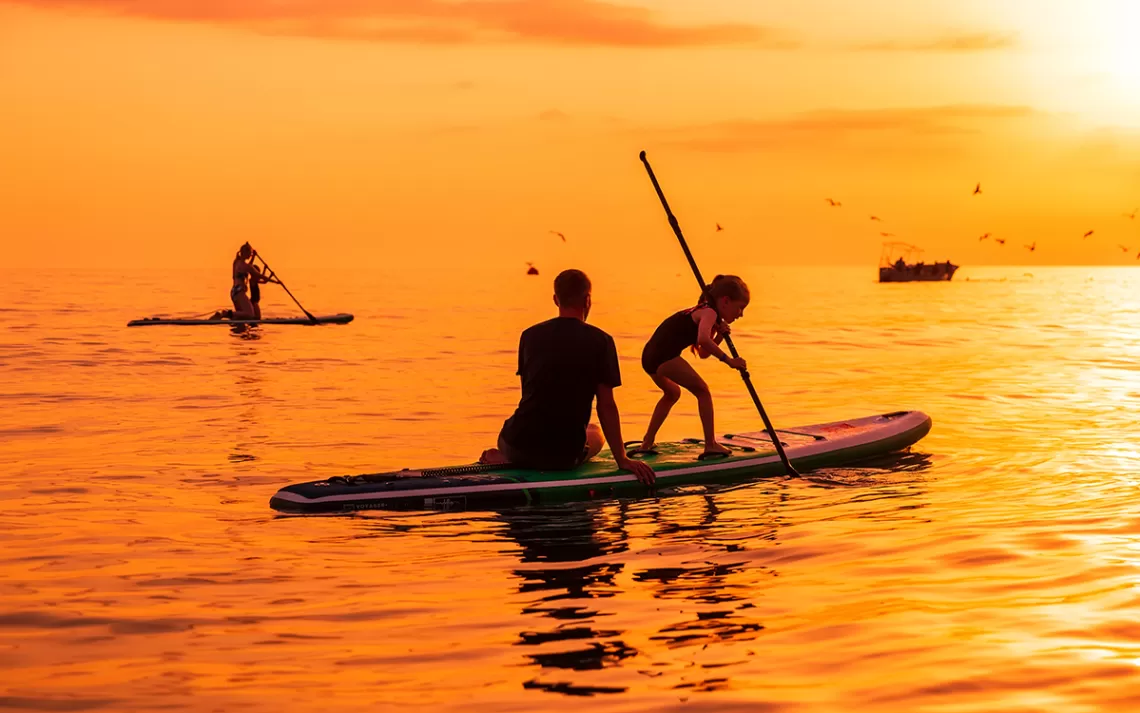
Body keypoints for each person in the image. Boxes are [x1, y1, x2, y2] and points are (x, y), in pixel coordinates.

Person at [479, 269, 656, 485]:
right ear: (587, 300)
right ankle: (521, 458)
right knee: (595, 433)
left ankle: (509, 457)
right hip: (562, 455)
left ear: (555, 299)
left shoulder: (529, 335)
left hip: (518, 443)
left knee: (519, 427)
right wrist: (622, 459)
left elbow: (530, 392)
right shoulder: (601, 341)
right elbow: (606, 405)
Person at [639, 274, 749, 458]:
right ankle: (710, 444)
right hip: (663, 356)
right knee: (703, 391)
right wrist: (729, 361)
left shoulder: (704, 312)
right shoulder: (709, 312)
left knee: (672, 393)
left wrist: (721, 335)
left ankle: (646, 442)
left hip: (649, 356)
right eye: (740, 308)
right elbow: (703, 340)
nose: (741, 314)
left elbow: (704, 353)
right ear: (726, 301)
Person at [212, 243, 272, 321]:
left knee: (240, 316)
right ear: (245, 253)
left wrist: (253, 257)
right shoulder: (244, 265)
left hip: (234, 291)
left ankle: (224, 316)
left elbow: (249, 268)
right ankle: (225, 313)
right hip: (239, 291)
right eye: (250, 253)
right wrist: (277, 282)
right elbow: (258, 275)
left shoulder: (236, 262)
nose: (250, 254)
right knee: (250, 314)